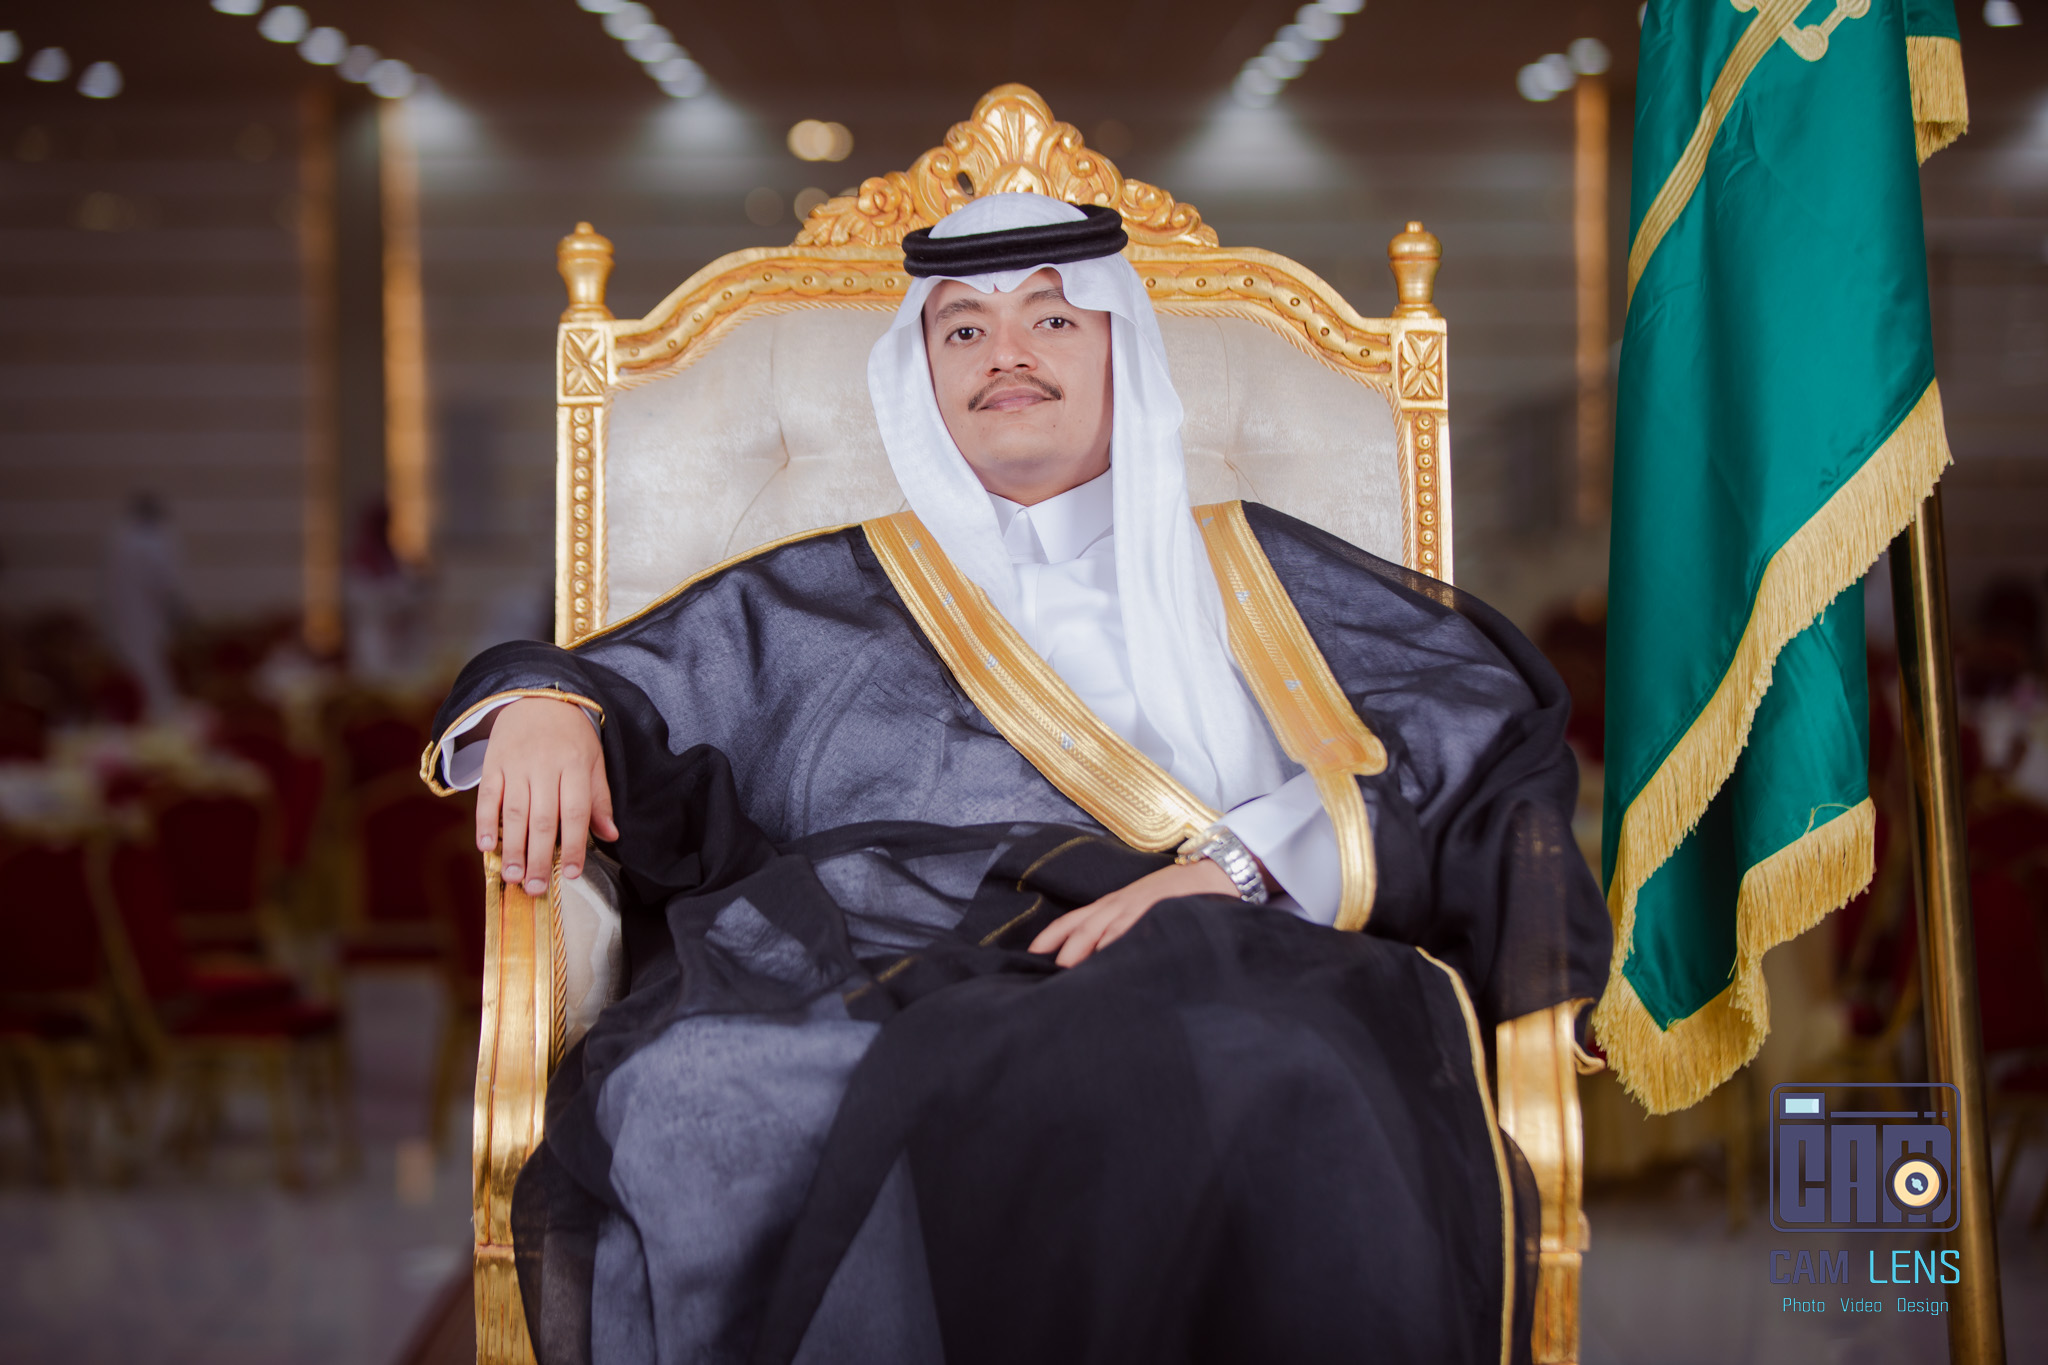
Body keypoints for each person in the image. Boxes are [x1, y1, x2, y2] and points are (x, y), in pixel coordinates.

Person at [425, 193, 1609, 1365]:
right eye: (963, 329)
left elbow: (1467, 730)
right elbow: (626, 691)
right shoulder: (824, 595)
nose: (1005, 354)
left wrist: (1236, 867)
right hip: (887, 967)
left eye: (1050, 319)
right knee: (702, 1089)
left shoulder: (1257, 571)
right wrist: (544, 705)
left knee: (1265, 1069)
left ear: (1117, 348)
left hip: (1218, 954)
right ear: (923, 376)